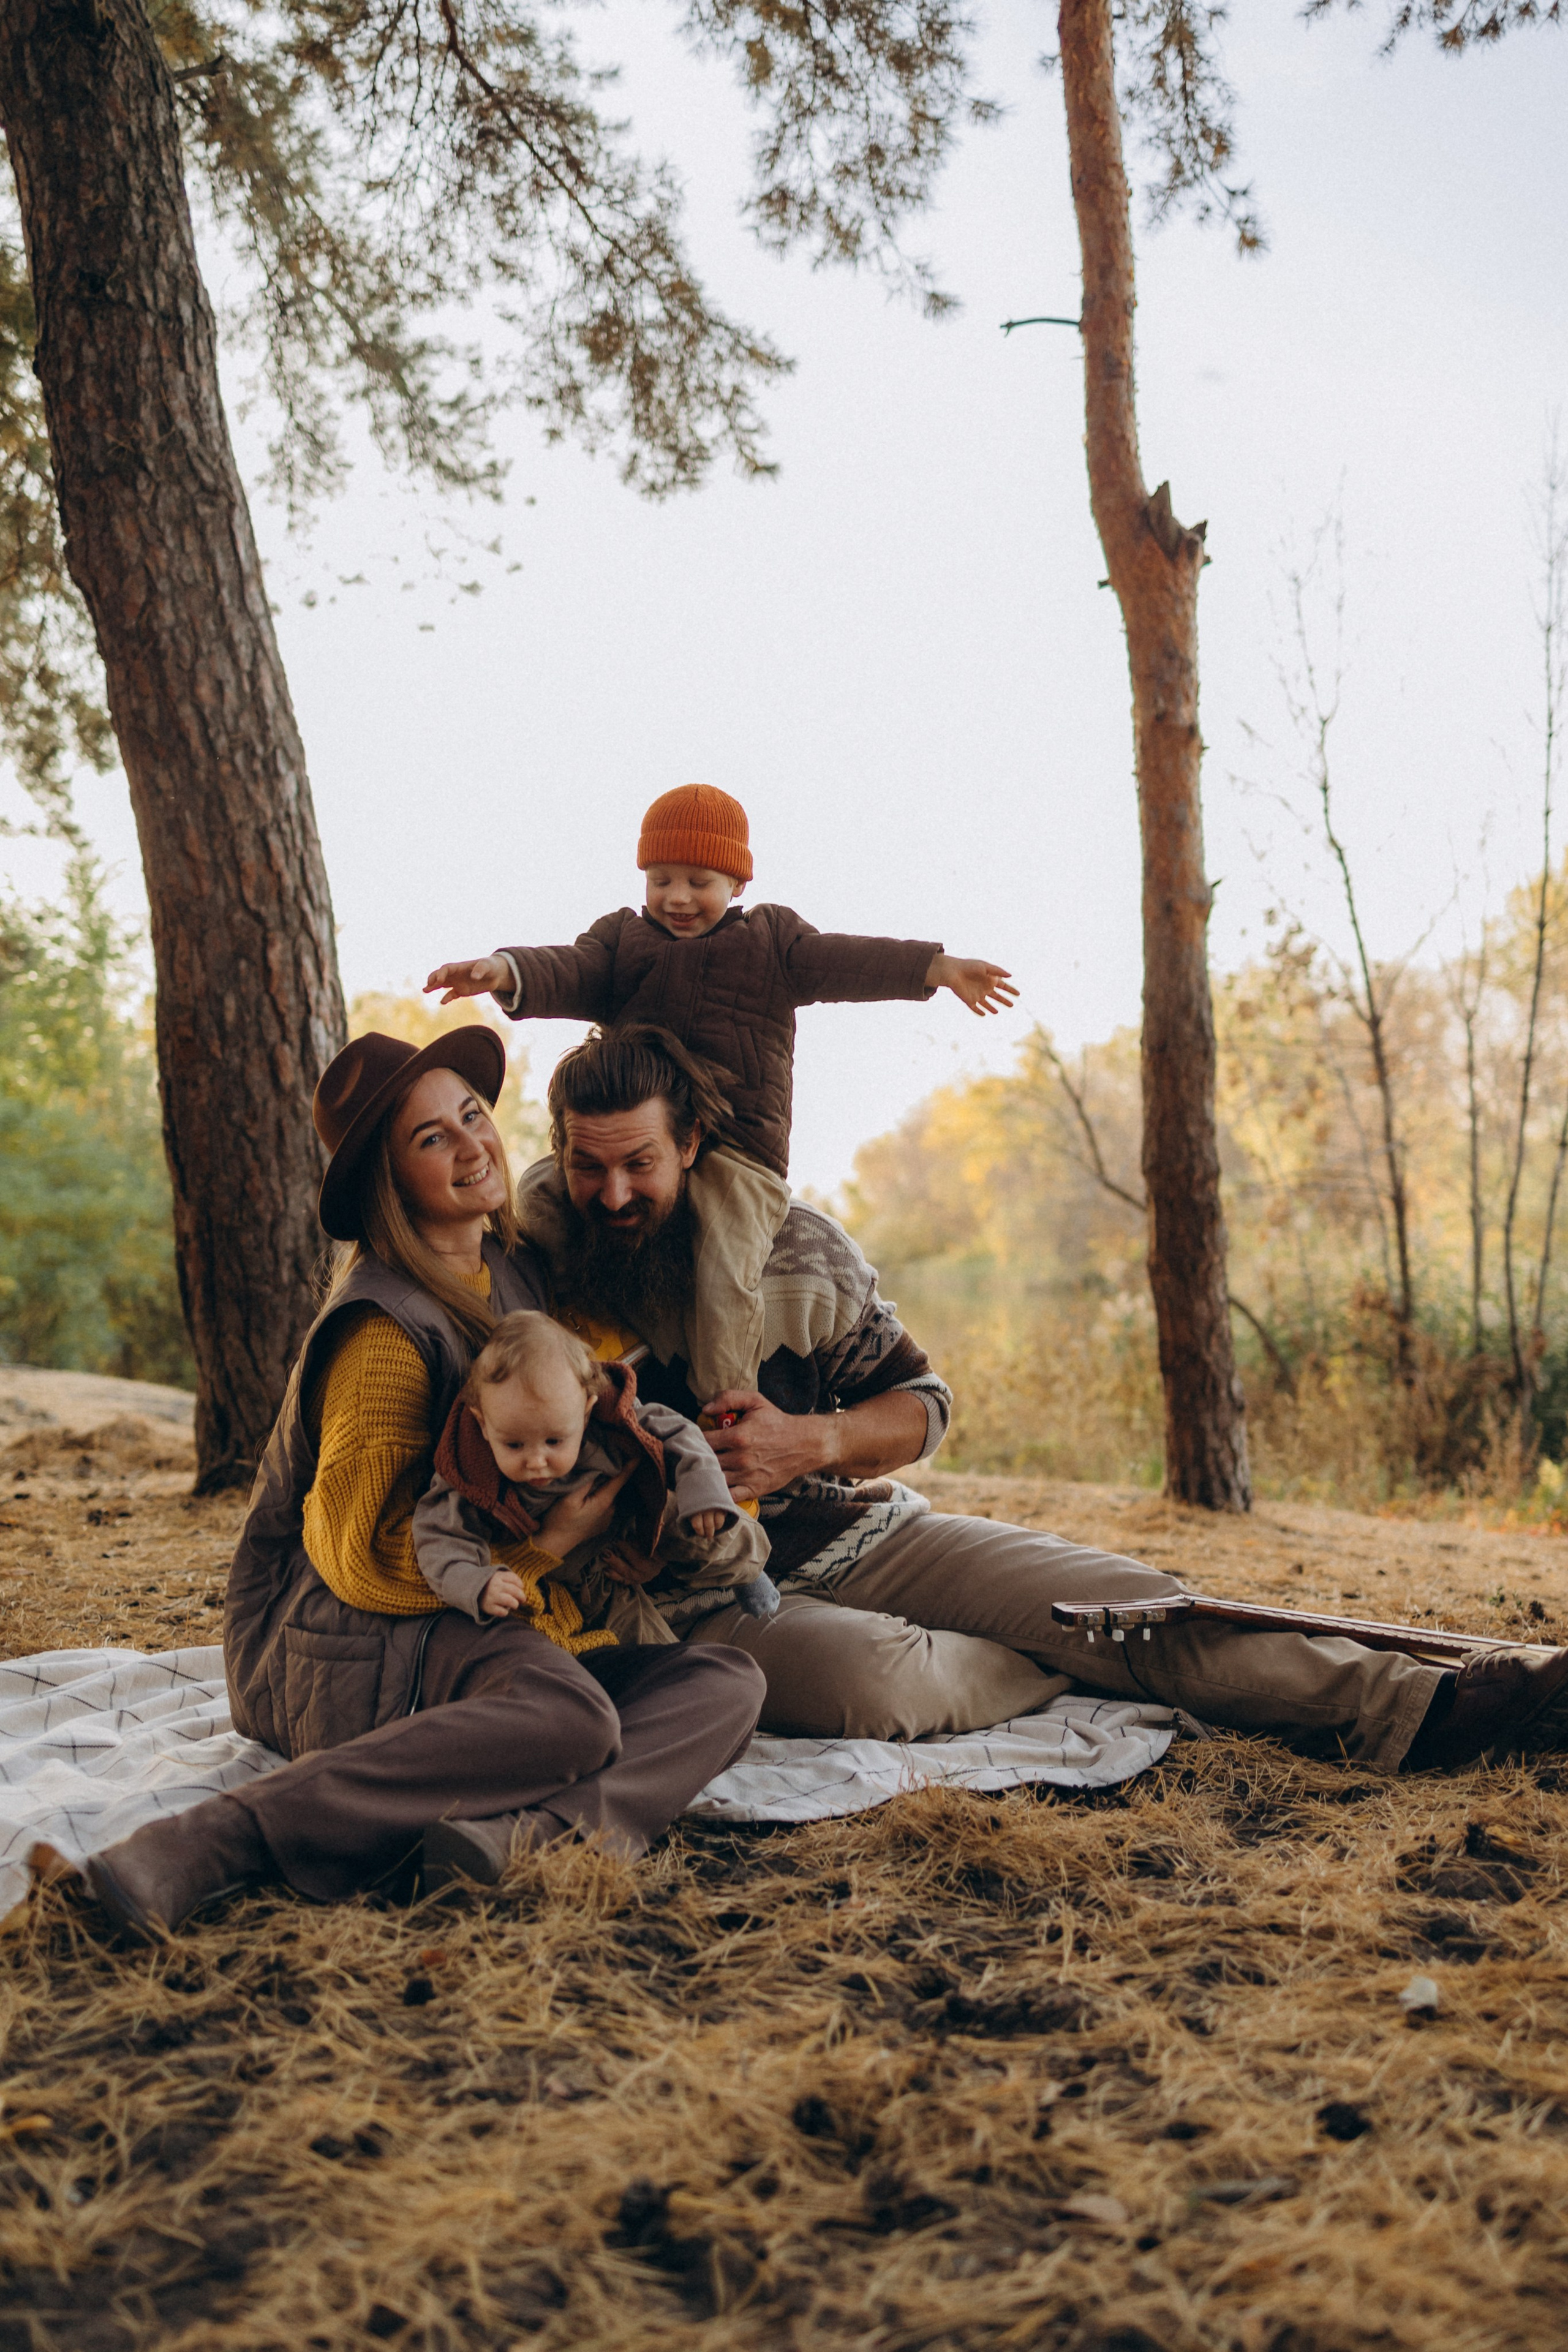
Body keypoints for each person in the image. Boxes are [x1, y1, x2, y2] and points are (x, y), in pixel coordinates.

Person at [515, 1022, 1568, 1772]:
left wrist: (814, 1442)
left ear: (690, 1145)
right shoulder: (533, 1275)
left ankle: (1440, 1704)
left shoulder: (798, 1251)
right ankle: (1077, 1668)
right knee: (878, 1684)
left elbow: (924, 1404)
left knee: (1128, 1602)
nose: (613, 1194)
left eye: (639, 1164)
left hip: (863, 1537)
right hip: (702, 1599)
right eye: (586, 1167)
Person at [74, 1028, 764, 1938]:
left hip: (477, 1616)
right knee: (571, 1717)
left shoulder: (510, 1272)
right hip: (343, 1636)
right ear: (390, 1180)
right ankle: (209, 1841)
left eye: (472, 1115)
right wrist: (543, 1550)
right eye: (432, 1138)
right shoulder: (383, 1332)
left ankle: (521, 1839)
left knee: (724, 1680)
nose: (472, 1144)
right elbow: (356, 1552)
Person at [422, 780, 1019, 1180]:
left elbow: (848, 961)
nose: (677, 898)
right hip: (632, 1143)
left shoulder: (771, 942)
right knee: (542, 1195)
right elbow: (570, 970)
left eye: (698, 882)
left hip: (738, 1150)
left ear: (737, 885)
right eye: (660, 880)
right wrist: (506, 969)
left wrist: (936, 968)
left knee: (725, 1270)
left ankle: (729, 1345)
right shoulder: (621, 941)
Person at [413, 1308, 779, 1642]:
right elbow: (438, 1538)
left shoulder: (610, 1416)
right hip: (587, 1572)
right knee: (647, 1649)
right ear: (482, 1423)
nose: (536, 1461)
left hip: (638, 1505)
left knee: (709, 1524)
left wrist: (702, 1484)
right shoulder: (470, 1475)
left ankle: (749, 1573)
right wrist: (475, 1584)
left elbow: (676, 1431)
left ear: (586, 1411)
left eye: (554, 1441)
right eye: (514, 1445)